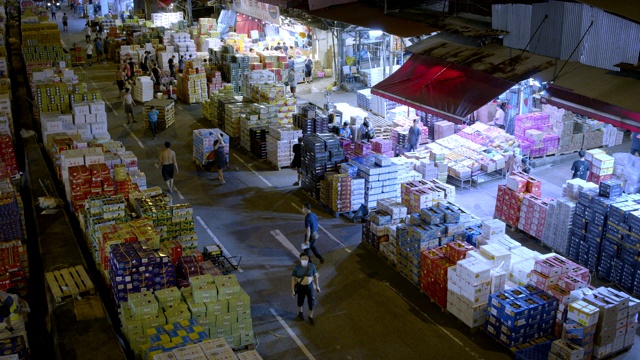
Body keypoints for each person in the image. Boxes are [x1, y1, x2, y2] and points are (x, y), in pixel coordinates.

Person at [291, 253, 320, 325]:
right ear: (300, 259)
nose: (304, 260)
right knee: (300, 300)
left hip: (309, 287)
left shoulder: (312, 266)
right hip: (300, 287)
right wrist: (292, 290)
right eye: (302, 259)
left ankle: (310, 316)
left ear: (308, 259)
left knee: (311, 301)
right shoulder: (297, 268)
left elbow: (315, 276)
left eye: (306, 259)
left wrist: (317, 286)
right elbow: (293, 280)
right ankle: (300, 312)